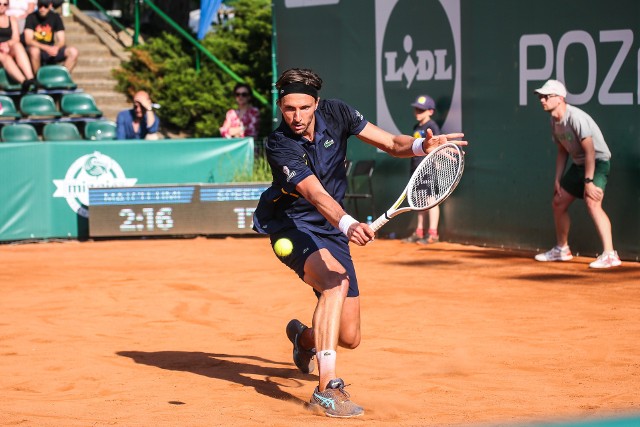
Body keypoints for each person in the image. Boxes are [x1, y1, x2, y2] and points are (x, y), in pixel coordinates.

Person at [252, 68, 467, 417]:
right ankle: (326, 388)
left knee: (349, 336)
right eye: (288, 108)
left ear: (316, 104)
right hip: (291, 226)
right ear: (280, 106)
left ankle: (304, 339)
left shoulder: (338, 113)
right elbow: (315, 194)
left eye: (304, 108)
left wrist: (419, 146)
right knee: (334, 284)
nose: (296, 116)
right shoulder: (279, 145)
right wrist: (349, 222)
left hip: (332, 229)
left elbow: (391, 143)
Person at [533, 79, 621, 269]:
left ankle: (610, 254)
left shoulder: (576, 117)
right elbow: (563, 150)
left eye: (547, 96)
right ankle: (562, 249)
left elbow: (590, 151)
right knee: (558, 202)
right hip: (579, 164)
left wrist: (588, 181)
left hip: (597, 162)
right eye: (541, 96)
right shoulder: (554, 121)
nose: (542, 100)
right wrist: (558, 179)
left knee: (592, 202)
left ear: (560, 98)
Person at [401, 94, 442, 244]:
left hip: (428, 168)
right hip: (416, 168)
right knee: (419, 201)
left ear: (430, 111)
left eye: (421, 110)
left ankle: (433, 234)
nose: (418, 112)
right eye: (416, 109)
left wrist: (435, 166)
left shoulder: (432, 127)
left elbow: (437, 148)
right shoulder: (416, 127)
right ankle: (419, 232)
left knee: (431, 200)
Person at [23, 0, 78, 73]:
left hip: (51, 49)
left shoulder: (55, 17)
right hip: (37, 49)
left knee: (73, 52)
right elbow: (28, 40)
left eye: (45, 6)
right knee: (34, 51)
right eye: (40, 6)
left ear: (50, 5)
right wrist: (46, 48)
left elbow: (62, 40)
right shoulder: (31, 17)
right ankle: (38, 79)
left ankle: (61, 76)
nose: (42, 9)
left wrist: (56, 47)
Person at [0, 0, 36, 92]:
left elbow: (16, 38)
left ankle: (30, 78)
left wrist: (7, 44)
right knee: (4, 57)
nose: (2, 6)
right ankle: (24, 82)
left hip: (8, 47)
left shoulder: (11, 19)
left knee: (18, 45)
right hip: (1, 53)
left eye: (5, 4)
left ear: (8, 5)